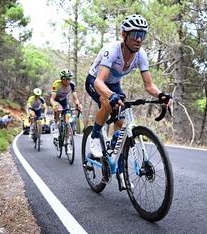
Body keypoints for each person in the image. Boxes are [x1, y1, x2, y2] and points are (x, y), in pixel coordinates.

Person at [85, 14, 172, 158]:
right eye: (135, 34)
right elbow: (99, 82)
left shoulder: (141, 55)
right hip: (95, 81)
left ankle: (115, 154)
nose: (139, 39)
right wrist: (111, 95)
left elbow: (149, 85)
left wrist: (161, 95)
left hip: (113, 84)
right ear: (124, 35)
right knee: (106, 102)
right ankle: (94, 137)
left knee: (122, 122)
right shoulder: (112, 51)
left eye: (142, 35)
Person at [50, 69, 83, 154]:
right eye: (66, 79)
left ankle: (67, 143)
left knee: (68, 122)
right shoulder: (56, 84)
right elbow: (52, 99)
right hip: (56, 101)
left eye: (69, 78)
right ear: (62, 79)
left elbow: (75, 98)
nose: (68, 80)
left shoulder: (72, 85)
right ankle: (56, 126)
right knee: (59, 108)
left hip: (64, 101)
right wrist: (54, 105)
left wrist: (78, 105)